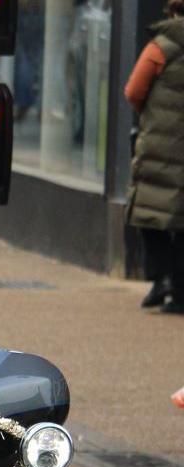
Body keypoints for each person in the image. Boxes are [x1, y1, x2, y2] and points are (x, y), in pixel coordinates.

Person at [124, 0, 184, 314]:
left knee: (150, 213)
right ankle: (180, 289)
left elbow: (133, 91)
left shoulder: (159, 48)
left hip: (162, 143)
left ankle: (161, 278)